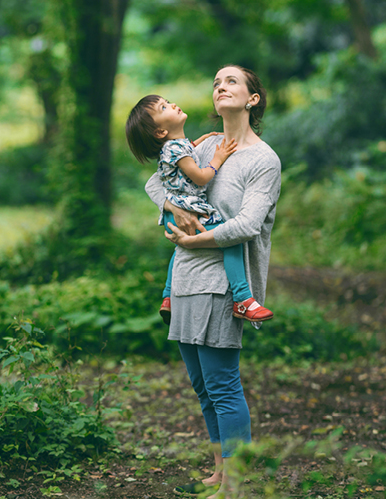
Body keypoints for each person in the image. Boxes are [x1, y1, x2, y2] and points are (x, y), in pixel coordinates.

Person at [145, 65, 281, 498]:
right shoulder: (200, 148)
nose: (221, 85)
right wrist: (173, 207)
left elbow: (248, 225)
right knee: (203, 388)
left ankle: (239, 483)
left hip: (224, 283)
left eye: (232, 81)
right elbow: (154, 183)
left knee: (223, 385)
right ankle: (220, 471)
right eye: (217, 82)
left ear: (252, 99)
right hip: (183, 280)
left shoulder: (263, 160)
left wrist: (198, 238)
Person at [125, 94, 273, 326]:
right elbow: (202, 177)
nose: (172, 104)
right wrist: (218, 157)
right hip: (189, 207)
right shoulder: (175, 149)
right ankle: (243, 298)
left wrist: (204, 140)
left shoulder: (174, 147)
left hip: (176, 210)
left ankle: (167, 296)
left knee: (178, 248)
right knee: (230, 239)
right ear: (160, 132)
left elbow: (187, 150)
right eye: (164, 107)